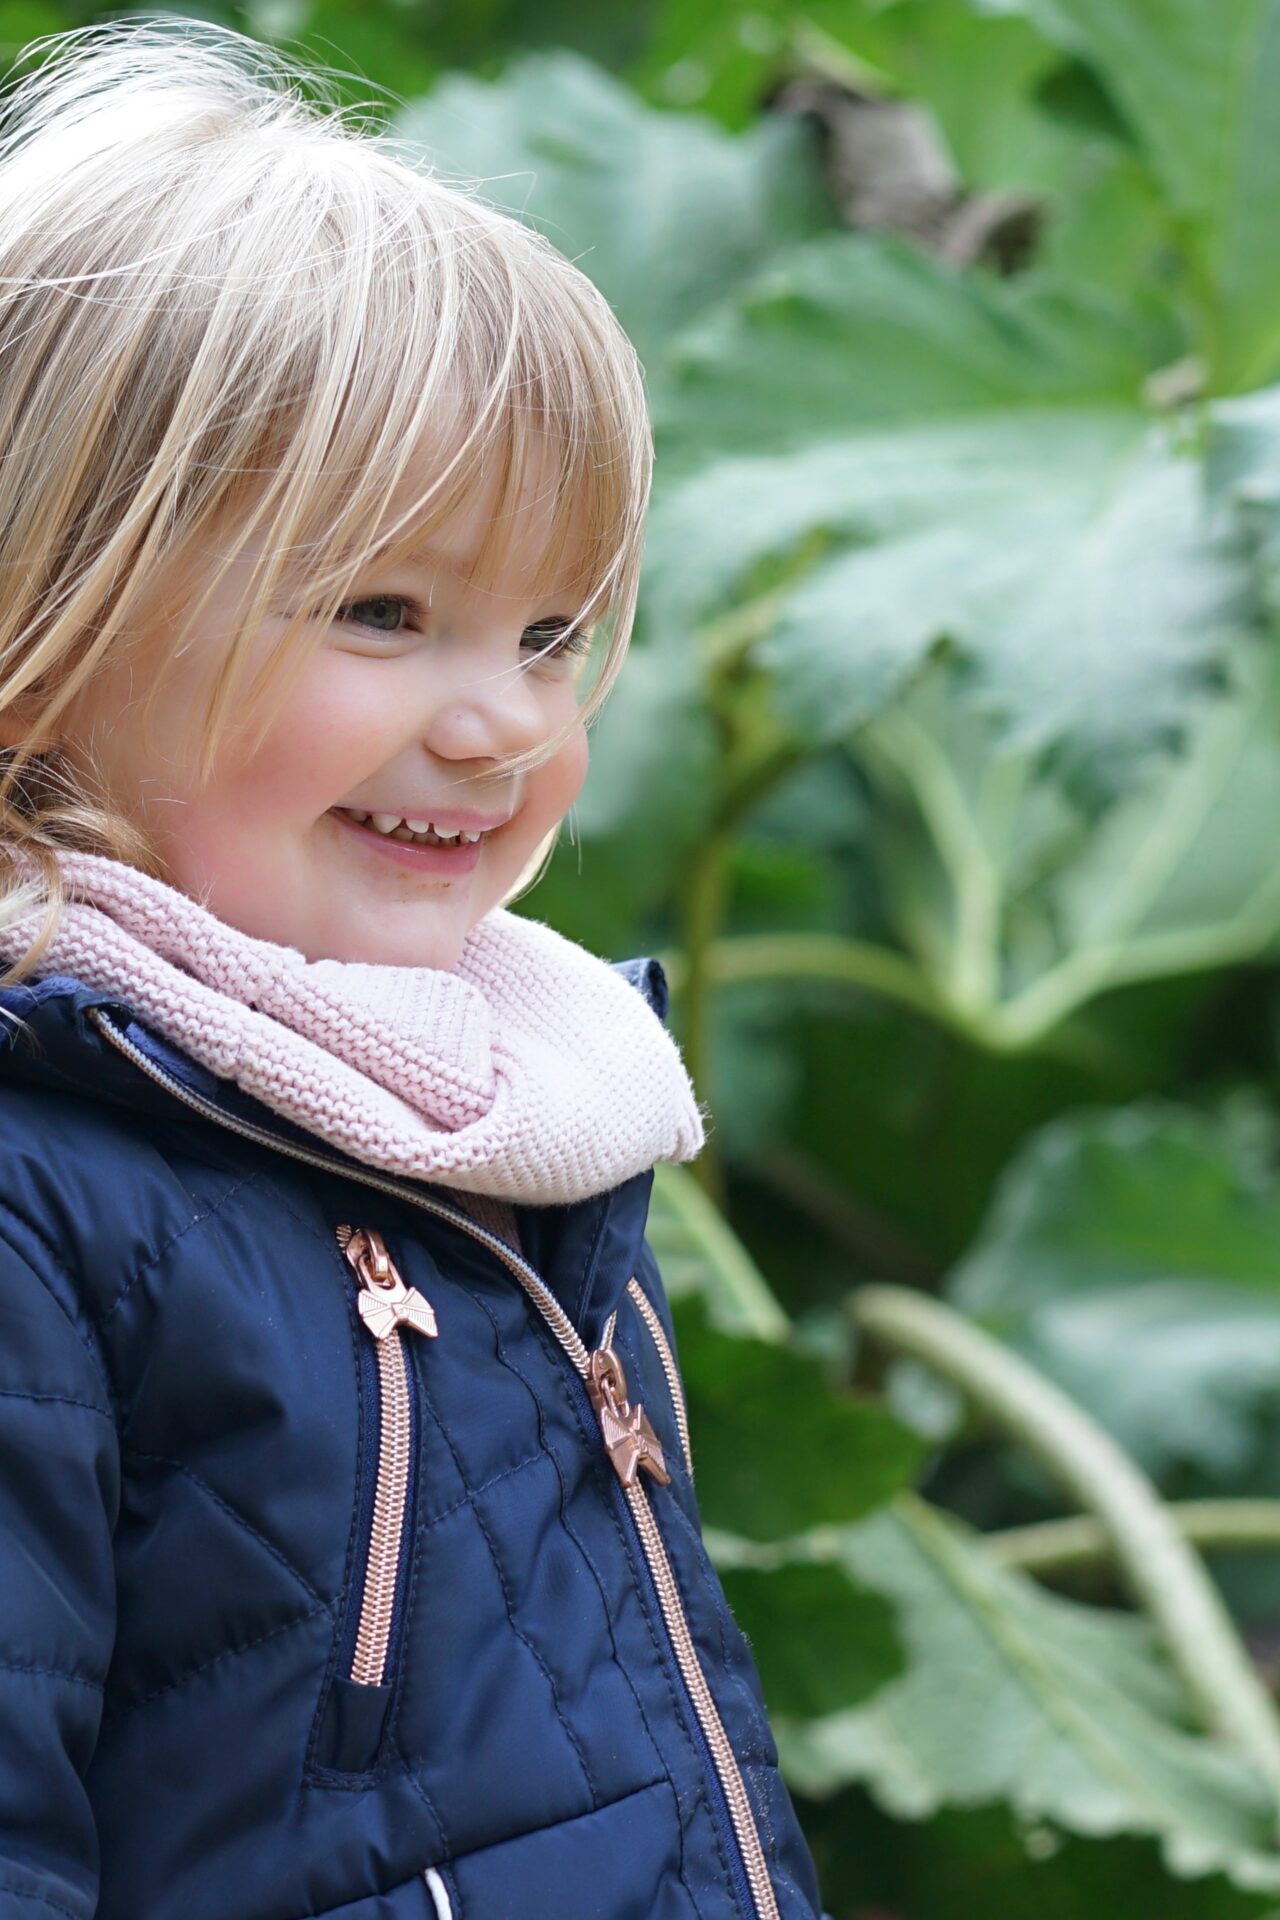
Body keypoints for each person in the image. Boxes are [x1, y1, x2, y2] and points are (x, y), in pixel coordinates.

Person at [0, 20, 830, 1920]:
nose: (503, 724)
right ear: (45, 623)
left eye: (549, 635)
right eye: (384, 612)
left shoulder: (503, 1116)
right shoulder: (40, 1192)